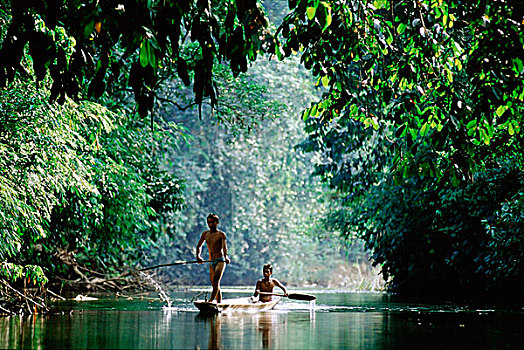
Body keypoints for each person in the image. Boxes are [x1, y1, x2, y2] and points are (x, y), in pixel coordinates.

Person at [196, 213, 230, 303]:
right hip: (211, 261)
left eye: (213, 222)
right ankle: (219, 303)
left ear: (217, 222)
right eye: (209, 222)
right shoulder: (205, 234)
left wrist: (226, 257)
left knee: (215, 282)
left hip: (220, 261)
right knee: (215, 285)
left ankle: (210, 301)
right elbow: (199, 246)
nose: (211, 224)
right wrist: (198, 256)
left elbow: (224, 248)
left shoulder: (221, 234)